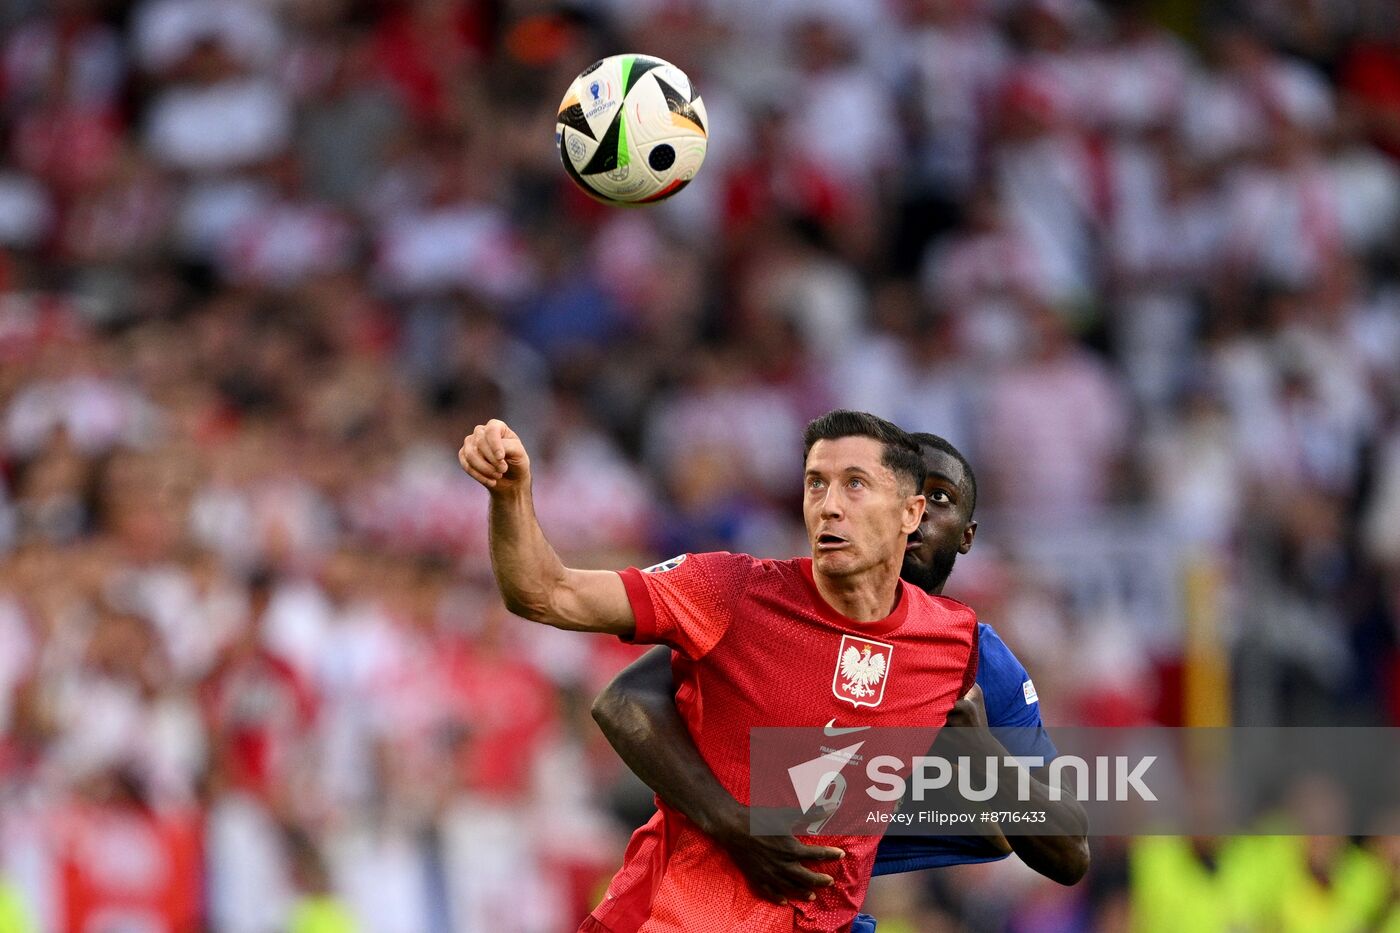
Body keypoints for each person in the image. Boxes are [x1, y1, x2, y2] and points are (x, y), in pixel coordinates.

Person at [459, 411, 981, 931]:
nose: (829, 506)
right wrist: (510, 496)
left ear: (910, 513)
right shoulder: (731, 590)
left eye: (855, 485)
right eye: (815, 484)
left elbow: (1008, 831)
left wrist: (979, 758)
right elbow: (545, 593)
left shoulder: (953, 644)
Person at [590, 432, 1090, 926]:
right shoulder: (781, 609)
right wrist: (731, 820)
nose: (916, 516)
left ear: (966, 535)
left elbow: (1069, 854)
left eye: (939, 497)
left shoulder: (979, 661)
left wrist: (979, 754)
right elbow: (624, 698)